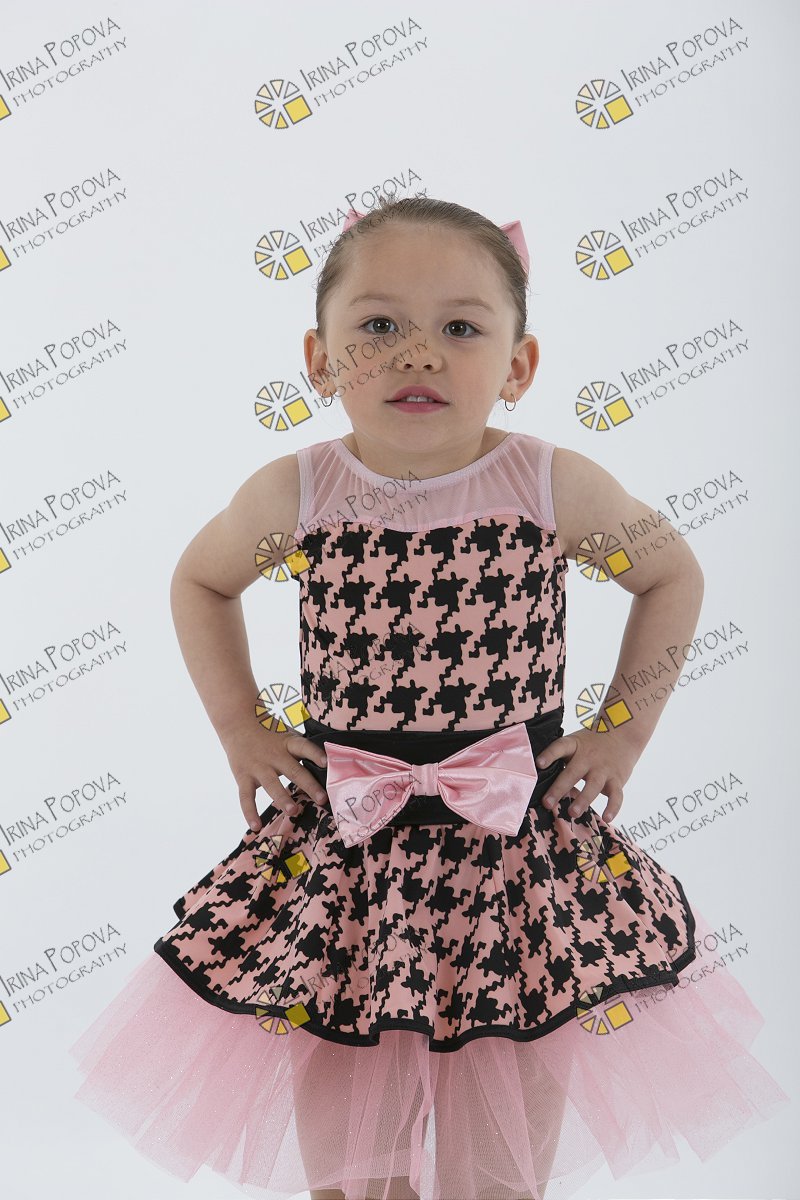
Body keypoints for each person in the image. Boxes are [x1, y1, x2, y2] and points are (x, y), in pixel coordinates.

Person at [68, 196, 789, 1200]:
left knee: (499, 1164)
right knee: (348, 1163)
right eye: (378, 326)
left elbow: (669, 574)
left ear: (518, 365)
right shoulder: (298, 493)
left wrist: (618, 735)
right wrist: (241, 724)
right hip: (344, 867)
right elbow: (200, 579)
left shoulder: (548, 484)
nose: (417, 353)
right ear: (320, 361)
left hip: (517, 865)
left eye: (459, 327)